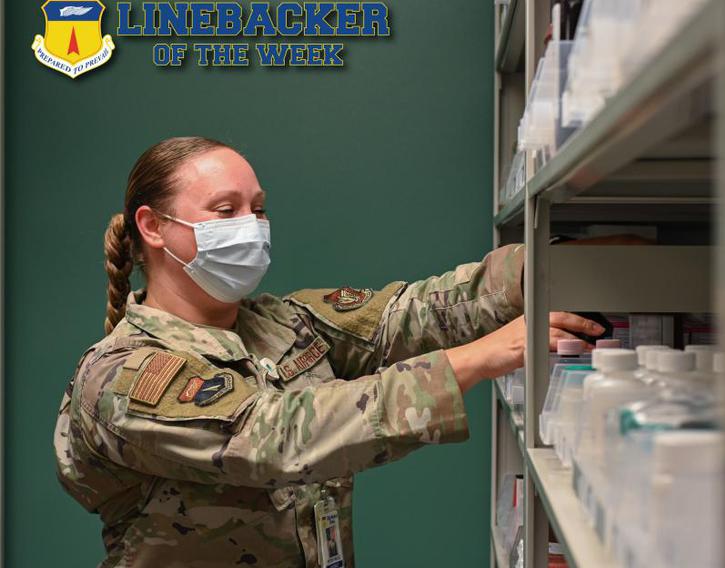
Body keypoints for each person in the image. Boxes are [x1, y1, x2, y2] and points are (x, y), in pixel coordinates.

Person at [53, 136, 604, 567]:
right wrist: (483, 356)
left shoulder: (285, 322)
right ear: (153, 227)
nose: (251, 226)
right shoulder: (122, 375)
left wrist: (552, 265)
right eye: (226, 210)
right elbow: (274, 438)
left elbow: (412, 312)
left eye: (258, 208)